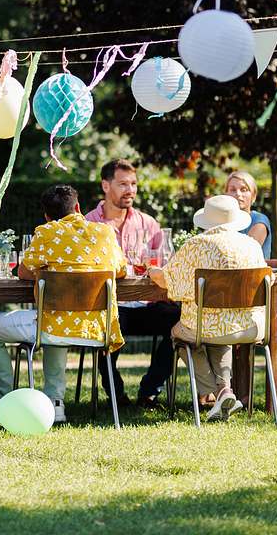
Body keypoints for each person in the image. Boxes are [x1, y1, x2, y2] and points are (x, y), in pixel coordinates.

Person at [0, 185, 126, 423]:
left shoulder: (46, 232)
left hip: (54, 326)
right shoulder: (105, 233)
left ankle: (6, 398)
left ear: (47, 216)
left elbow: (23, 271)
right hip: (96, 328)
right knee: (56, 320)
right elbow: (120, 270)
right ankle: (54, 402)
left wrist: (50, 273)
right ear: (78, 208)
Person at [149, 195, 267, 421]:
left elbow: (168, 281)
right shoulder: (252, 246)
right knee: (218, 331)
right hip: (249, 328)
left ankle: (211, 391)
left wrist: (154, 273)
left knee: (180, 335)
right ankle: (225, 391)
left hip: (207, 327)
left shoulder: (196, 246)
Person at [84, 158, 179, 408]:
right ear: (106, 185)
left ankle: (149, 391)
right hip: (110, 306)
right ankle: (116, 395)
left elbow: (166, 265)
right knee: (106, 328)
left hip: (148, 305)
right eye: (123, 184)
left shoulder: (148, 224)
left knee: (183, 322)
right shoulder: (88, 224)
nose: (131, 190)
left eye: (134, 184)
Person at [225, 170, 273, 260]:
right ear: (226, 194)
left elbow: (245, 256)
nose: (238, 194)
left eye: (244, 190)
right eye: (232, 190)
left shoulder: (259, 221)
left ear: (253, 196)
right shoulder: (221, 221)